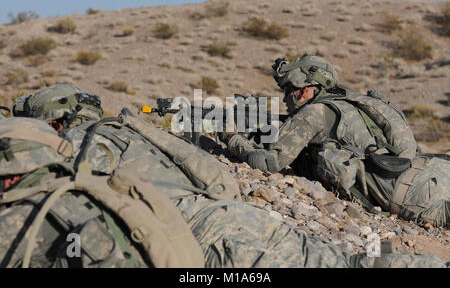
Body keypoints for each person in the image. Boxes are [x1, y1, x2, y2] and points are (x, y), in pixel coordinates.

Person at [1, 117, 448, 268]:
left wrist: (237, 140)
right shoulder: (127, 126)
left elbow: (269, 162)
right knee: (350, 261)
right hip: (231, 214)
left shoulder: (69, 166)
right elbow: (211, 172)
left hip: (203, 240)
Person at [221, 54, 450, 229]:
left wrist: (233, 139)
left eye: (288, 90)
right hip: (435, 170)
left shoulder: (314, 113)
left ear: (305, 90)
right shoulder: (348, 102)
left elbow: (271, 163)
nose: (284, 98)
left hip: (417, 196)